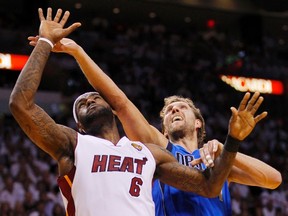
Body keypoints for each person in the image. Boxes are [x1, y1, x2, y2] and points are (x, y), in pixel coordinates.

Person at [9, 7, 260, 216]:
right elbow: (20, 104)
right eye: (81, 105)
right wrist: (44, 42)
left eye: (95, 96)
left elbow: (209, 186)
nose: (89, 100)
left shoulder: (148, 153)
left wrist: (233, 140)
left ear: (112, 110)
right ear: (80, 127)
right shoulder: (73, 144)